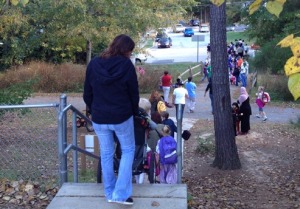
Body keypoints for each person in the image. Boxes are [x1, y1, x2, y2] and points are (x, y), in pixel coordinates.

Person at [83, 34, 138, 205]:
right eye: (130, 50)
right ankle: (120, 194)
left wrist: (93, 109)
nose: (130, 53)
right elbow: (133, 92)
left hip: (99, 117)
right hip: (121, 116)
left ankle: (109, 192)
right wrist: (133, 111)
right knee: (128, 150)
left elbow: (87, 92)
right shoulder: (126, 65)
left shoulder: (94, 64)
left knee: (106, 154)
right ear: (126, 50)